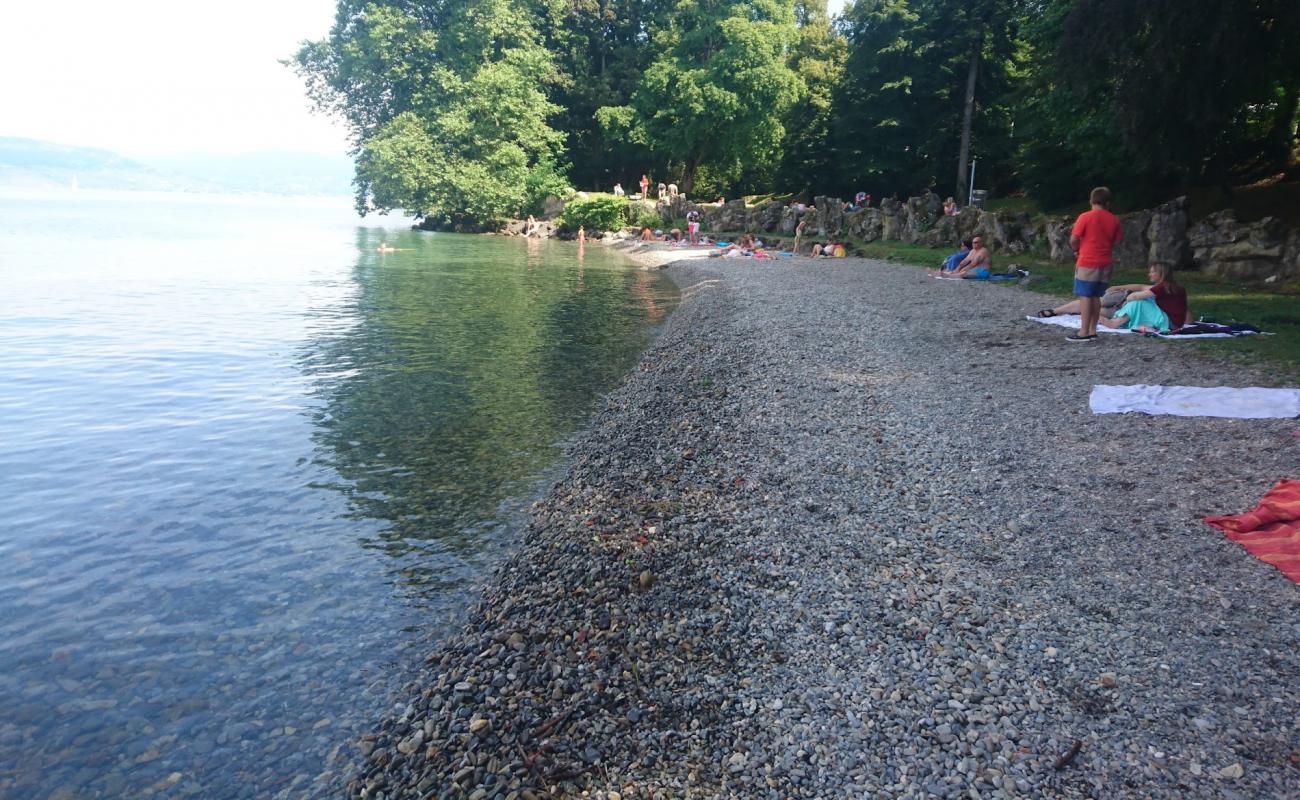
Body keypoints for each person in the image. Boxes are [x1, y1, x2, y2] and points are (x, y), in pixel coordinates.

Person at [1036, 262, 1190, 330]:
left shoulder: (1165, 288)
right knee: (1092, 305)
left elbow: (1135, 297)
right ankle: (1055, 311)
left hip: (1160, 320)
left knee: (1137, 303)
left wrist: (1128, 297)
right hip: (1134, 308)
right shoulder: (1161, 287)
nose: (1149, 274)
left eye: (1152, 271)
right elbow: (1140, 287)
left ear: (1161, 273)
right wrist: (1121, 288)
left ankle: (1113, 323)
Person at [1066, 186, 1123, 341]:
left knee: (1085, 296)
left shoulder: (1085, 217)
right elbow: (1117, 241)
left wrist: (1076, 250)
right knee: (1097, 297)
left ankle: (1083, 331)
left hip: (1088, 261)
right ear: (1108, 203)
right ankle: (1092, 330)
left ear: (1091, 200)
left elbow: (1074, 239)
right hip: (1106, 262)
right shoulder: (1114, 219)